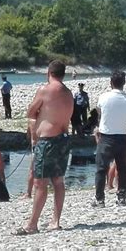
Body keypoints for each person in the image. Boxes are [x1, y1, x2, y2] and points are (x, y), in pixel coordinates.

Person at [15, 60, 73, 235]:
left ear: (49, 72)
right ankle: (55, 221)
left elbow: (30, 111)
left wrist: (40, 118)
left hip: (47, 141)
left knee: (40, 182)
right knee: (58, 181)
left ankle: (32, 224)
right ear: (63, 74)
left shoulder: (45, 90)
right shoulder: (68, 93)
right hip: (63, 139)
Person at [92, 71, 126, 207]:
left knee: (101, 168)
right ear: (124, 83)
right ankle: (122, 197)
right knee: (123, 168)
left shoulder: (104, 97)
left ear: (111, 82)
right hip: (123, 136)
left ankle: (100, 199)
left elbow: (99, 111)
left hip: (107, 136)